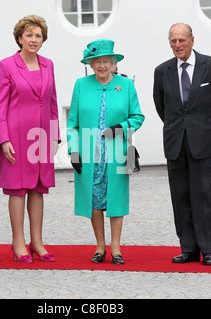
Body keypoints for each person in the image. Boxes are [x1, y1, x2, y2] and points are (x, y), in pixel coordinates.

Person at [153, 23, 211, 266]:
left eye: (182, 40)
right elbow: (160, 105)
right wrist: (179, 127)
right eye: (173, 41)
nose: (178, 45)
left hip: (203, 142)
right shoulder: (161, 71)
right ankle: (188, 248)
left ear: (192, 40)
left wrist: (200, 125)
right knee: (181, 196)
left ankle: (208, 250)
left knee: (203, 195)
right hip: (176, 142)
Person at [67, 39, 145, 265]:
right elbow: (73, 123)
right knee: (94, 199)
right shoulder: (81, 85)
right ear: (90, 64)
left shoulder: (126, 85)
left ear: (113, 63)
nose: (102, 66)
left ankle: (116, 248)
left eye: (106, 61)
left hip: (117, 150)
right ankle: (100, 246)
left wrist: (120, 128)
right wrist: (74, 152)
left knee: (116, 199)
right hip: (89, 153)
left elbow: (138, 116)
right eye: (97, 61)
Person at [0, 15, 60, 263]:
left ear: (43, 40)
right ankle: (18, 241)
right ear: (20, 38)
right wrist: (3, 139)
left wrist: (54, 136)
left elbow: (53, 102)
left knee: (38, 189)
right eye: (29, 35)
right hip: (16, 137)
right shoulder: (6, 65)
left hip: (41, 136)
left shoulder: (49, 64)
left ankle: (38, 241)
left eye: (38, 36)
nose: (34, 39)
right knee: (18, 189)